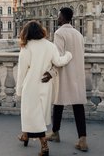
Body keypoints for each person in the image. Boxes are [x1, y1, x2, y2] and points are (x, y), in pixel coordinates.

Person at [16, 20, 73, 156]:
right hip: (45, 85)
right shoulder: (50, 45)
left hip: (31, 85)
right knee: (39, 113)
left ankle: (44, 146)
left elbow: (22, 71)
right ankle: (25, 135)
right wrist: (69, 55)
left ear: (27, 32)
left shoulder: (26, 47)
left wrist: (19, 90)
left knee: (31, 114)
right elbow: (59, 62)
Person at [43, 7, 88, 151]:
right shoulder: (78, 34)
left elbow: (58, 57)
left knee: (58, 103)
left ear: (62, 17)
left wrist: (51, 72)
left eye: (58, 16)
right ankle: (82, 139)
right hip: (78, 74)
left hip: (64, 74)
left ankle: (55, 133)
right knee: (78, 106)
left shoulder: (59, 33)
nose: (57, 18)